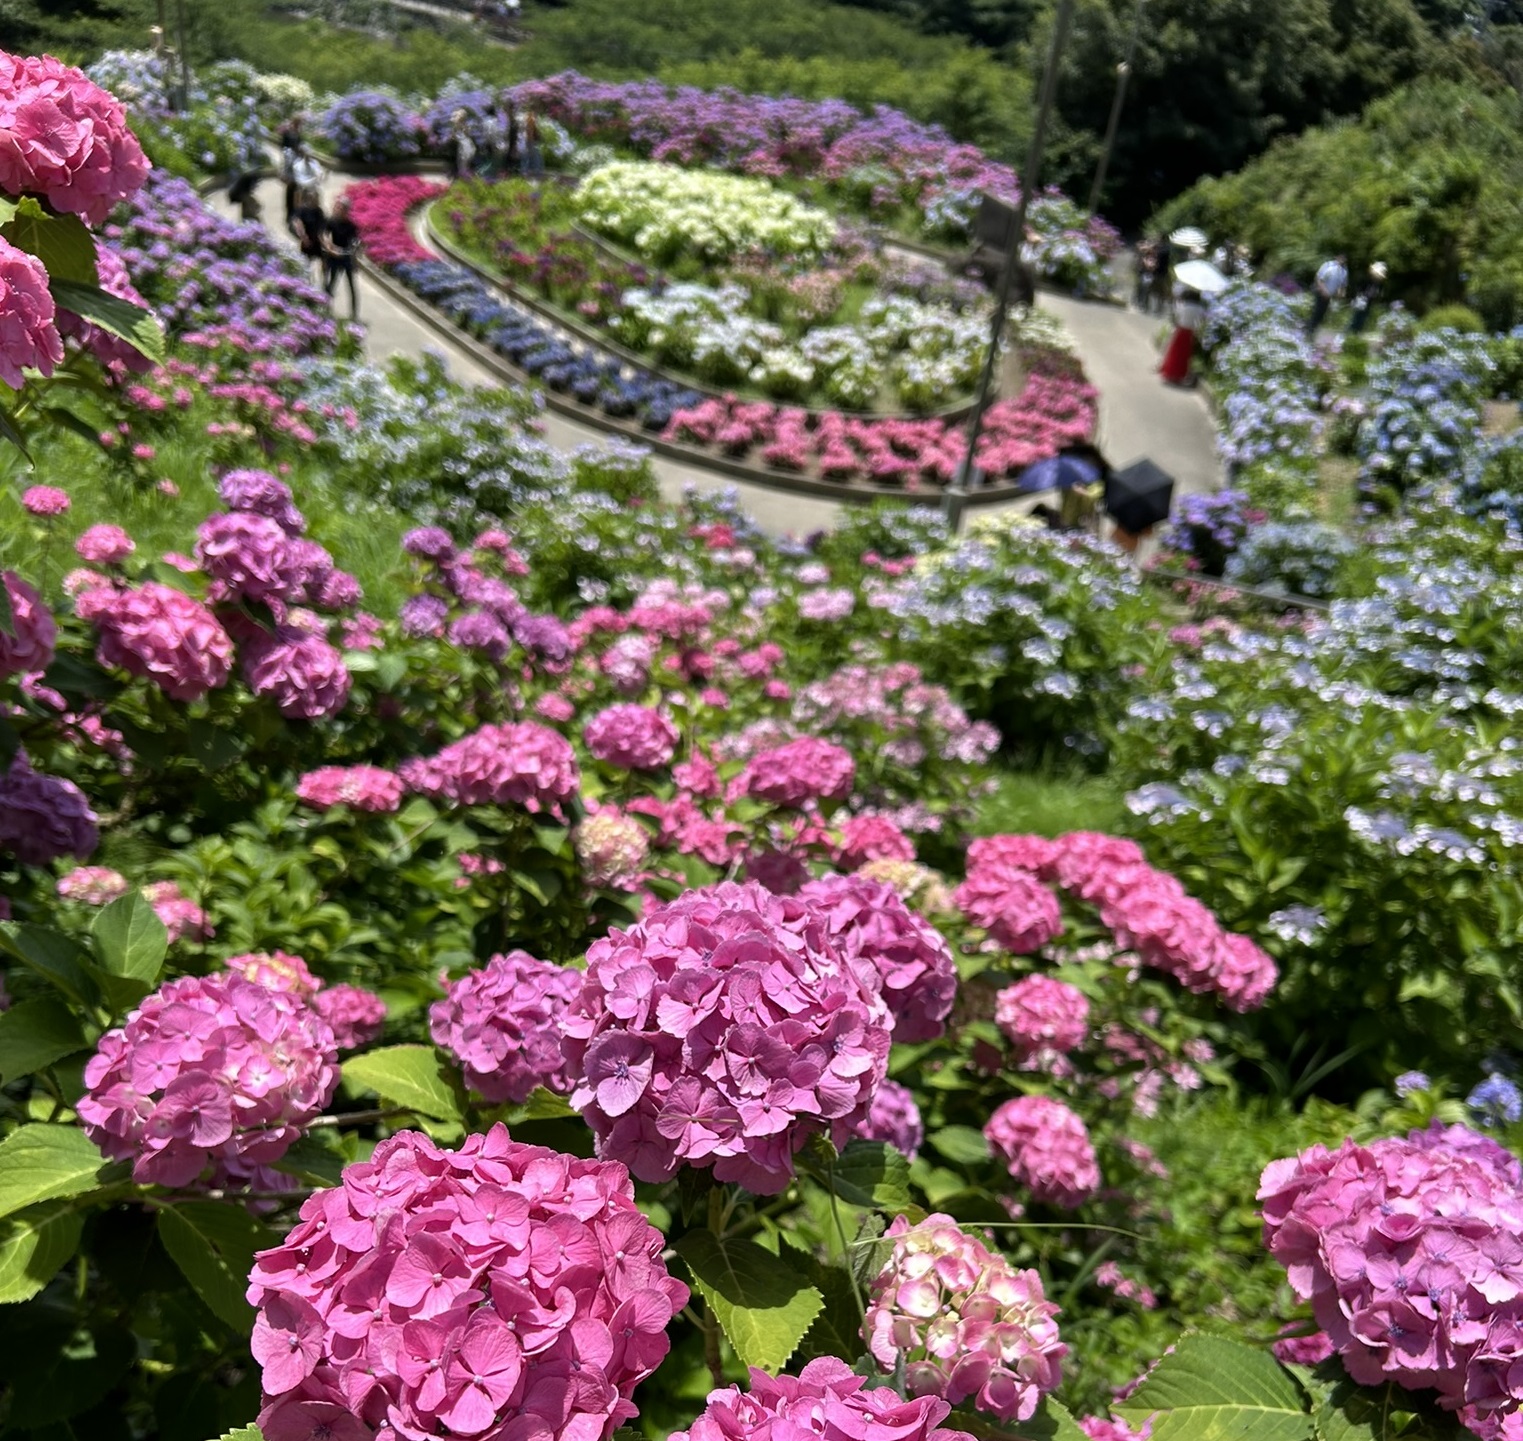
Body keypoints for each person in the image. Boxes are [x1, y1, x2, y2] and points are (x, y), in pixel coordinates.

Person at [323, 194, 361, 319]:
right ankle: (325, 310)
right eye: (339, 207)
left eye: (343, 208)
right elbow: (325, 236)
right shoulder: (332, 222)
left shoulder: (351, 226)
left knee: (351, 286)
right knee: (331, 284)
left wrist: (354, 260)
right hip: (334, 256)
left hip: (346, 256)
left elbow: (354, 243)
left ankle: (354, 315)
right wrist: (330, 248)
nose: (340, 210)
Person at [1159, 285, 1205, 386]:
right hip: (1190, 332)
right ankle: (1180, 375)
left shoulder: (1184, 306)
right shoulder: (1199, 309)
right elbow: (1203, 318)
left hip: (1180, 330)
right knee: (1184, 355)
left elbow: (1176, 314)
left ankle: (1169, 373)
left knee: (1174, 352)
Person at [1306, 253, 1348, 335]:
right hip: (1321, 292)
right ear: (1337, 257)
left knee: (1322, 313)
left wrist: (1341, 293)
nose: (1342, 260)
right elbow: (1318, 278)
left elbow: (1342, 285)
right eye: (1341, 257)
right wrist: (1324, 291)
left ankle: (1314, 329)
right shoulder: (1328, 265)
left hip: (1329, 295)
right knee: (1317, 311)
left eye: (1344, 258)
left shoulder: (1344, 271)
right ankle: (1309, 330)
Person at [290, 188, 327, 279]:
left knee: (325, 260)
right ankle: (306, 280)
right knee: (305, 264)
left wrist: (324, 240)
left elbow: (323, 226)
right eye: (315, 198)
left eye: (317, 198)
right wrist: (303, 236)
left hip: (317, 242)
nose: (317, 200)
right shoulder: (302, 210)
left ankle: (325, 280)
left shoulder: (319, 211)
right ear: (309, 198)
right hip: (306, 241)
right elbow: (296, 221)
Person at [1349, 261, 1387, 335]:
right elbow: (1359, 288)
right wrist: (1359, 296)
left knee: (1363, 319)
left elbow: (1378, 293)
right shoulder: (1366, 280)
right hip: (1361, 301)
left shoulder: (1379, 284)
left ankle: (1356, 333)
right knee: (1356, 317)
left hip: (1369, 303)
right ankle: (1351, 332)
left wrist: (1376, 296)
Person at [449, 110, 476, 181]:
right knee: (462, 161)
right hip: (462, 144)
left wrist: (464, 131)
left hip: (466, 144)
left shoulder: (465, 126)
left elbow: (467, 135)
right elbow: (453, 136)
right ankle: (463, 176)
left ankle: (464, 177)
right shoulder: (456, 126)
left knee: (465, 161)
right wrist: (457, 138)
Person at [521, 107, 544, 176]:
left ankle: (526, 172)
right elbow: (530, 131)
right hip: (530, 141)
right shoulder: (531, 118)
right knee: (535, 158)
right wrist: (531, 141)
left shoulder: (528, 117)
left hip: (528, 141)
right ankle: (535, 174)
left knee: (528, 157)